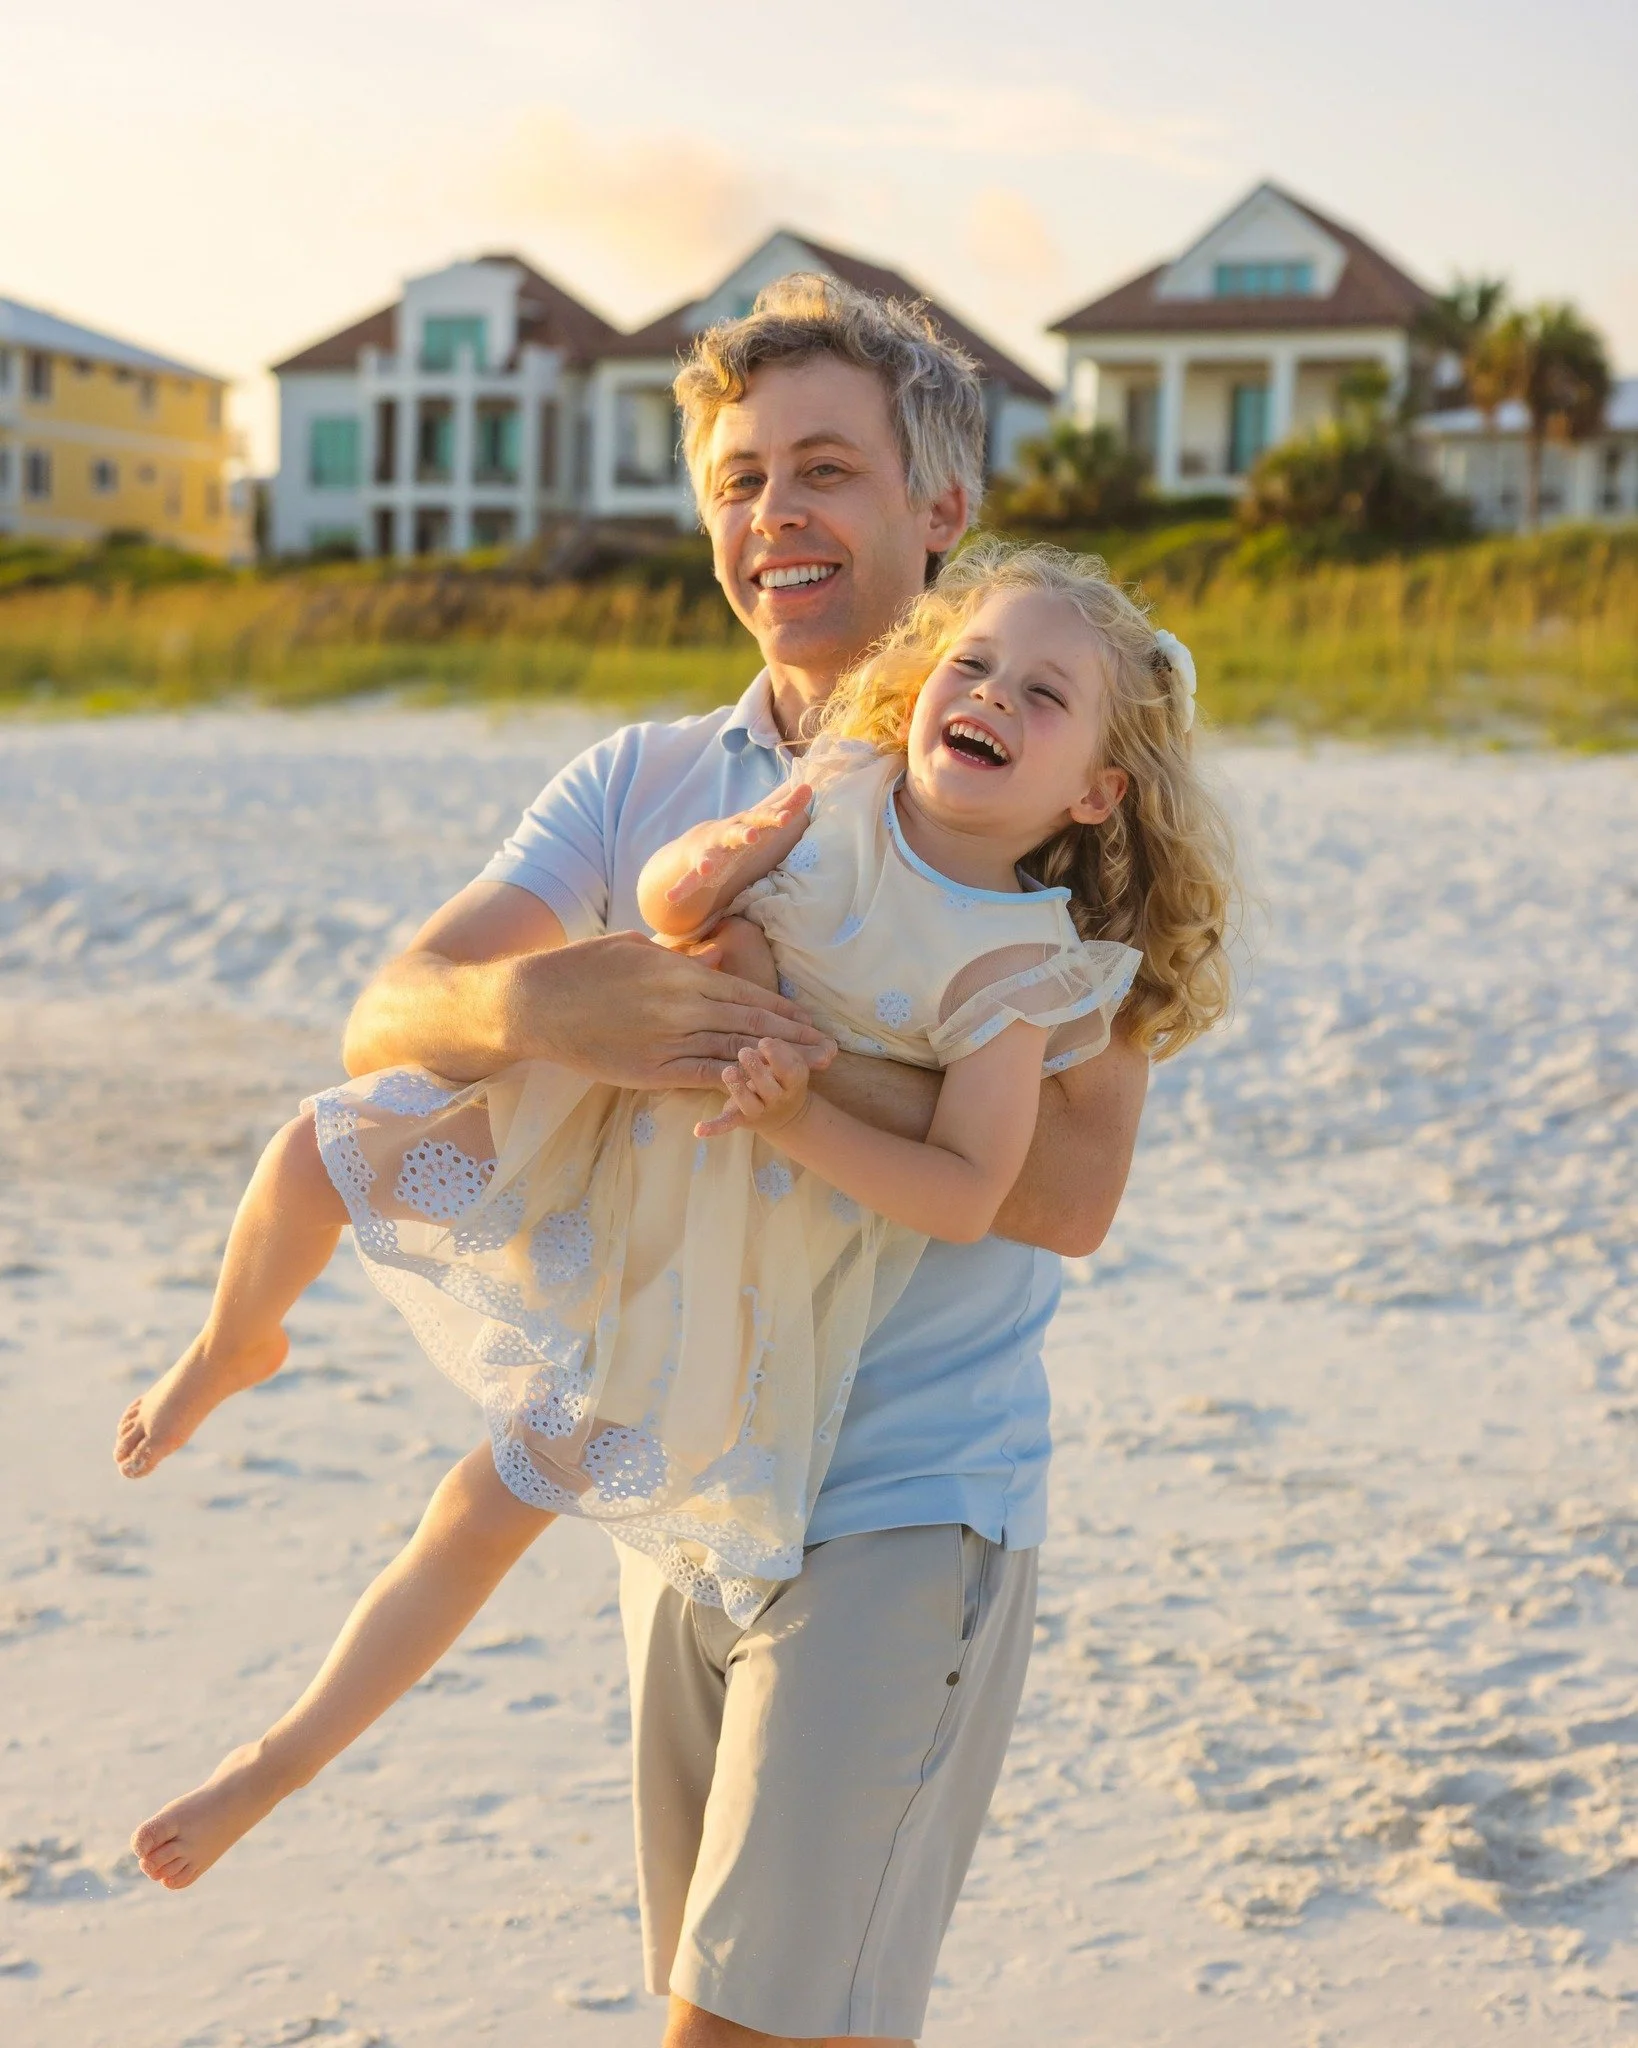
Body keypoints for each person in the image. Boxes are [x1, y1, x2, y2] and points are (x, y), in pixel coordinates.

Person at [128, 278, 1232, 2047]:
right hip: (688, 1485)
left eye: (824, 471)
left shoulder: (1032, 802)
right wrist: (559, 1005)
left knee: (733, 2034)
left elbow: (1064, 1191)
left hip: (901, 1500)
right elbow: (389, 1012)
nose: (773, 515)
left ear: (937, 516)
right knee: (757, 2014)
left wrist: (777, 1057)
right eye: (736, 479)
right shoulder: (650, 785)